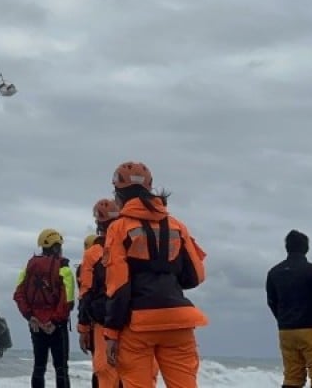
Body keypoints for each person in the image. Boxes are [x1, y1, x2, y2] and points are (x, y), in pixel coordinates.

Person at [102, 161, 208, 388]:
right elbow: (196, 276)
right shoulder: (177, 225)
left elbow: (118, 286)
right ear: (149, 190)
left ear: (118, 194)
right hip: (179, 320)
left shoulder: (118, 228)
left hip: (138, 324)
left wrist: (111, 333)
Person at [266, 229, 312, 388]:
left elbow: (271, 301)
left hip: (286, 331)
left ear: (287, 247)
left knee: (292, 376)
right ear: (306, 248)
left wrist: (283, 320)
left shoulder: (274, 272)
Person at [14, 228, 75, 388]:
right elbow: (67, 300)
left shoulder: (28, 268)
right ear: (56, 247)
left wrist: (30, 316)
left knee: (39, 367)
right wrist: (54, 321)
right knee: (61, 369)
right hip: (57, 326)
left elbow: (18, 294)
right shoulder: (64, 269)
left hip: (35, 325)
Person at [78, 199, 122, 388]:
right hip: (132, 323)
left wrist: (83, 328)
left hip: (102, 324)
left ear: (98, 224)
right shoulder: (129, 248)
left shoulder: (92, 254)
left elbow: (86, 293)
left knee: (105, 374)